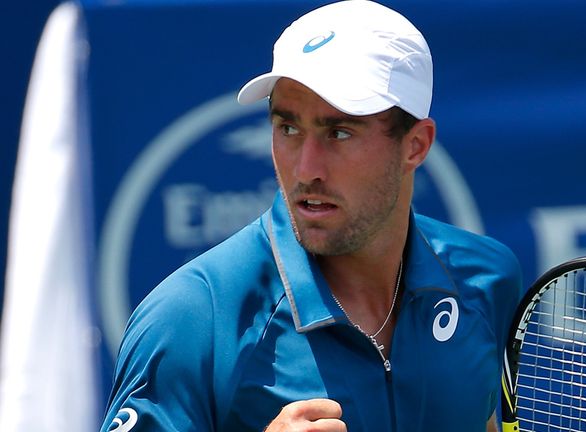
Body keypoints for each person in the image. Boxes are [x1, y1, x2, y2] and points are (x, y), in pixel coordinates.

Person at [101, 1, 521, 431]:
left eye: (339, 132)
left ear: (415, 145)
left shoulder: (487, 279)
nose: (306, 169)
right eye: (288, 129)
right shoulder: (190, 317)